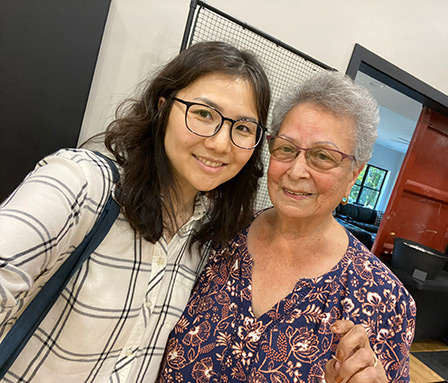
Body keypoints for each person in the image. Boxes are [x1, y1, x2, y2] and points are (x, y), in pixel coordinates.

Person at [0, 41, 270, 382]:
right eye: (203, 114)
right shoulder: (81, 183)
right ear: (162, 107)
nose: (220, 143)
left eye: (243, 128)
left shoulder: (209, 240)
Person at [158, 71, 416, 383]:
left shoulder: (384, 299)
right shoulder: (216, 234)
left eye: (323, 156)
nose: (296, 171)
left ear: (354, 175)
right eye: (286, 148)